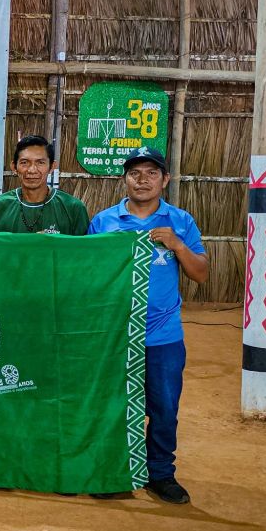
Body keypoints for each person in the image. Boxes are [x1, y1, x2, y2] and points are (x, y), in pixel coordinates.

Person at [88, 147, 208, 504]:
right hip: (116, 335)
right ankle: (113, 471)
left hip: (163, 336)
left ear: (165, 179)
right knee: (113, 405)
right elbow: (88, 275)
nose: (143, 180)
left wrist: (177, 245)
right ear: (124, 179)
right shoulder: (104, 222)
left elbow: (201, 273)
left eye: (151, 173)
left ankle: (161, 474)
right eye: (135, 173)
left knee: (164, 408)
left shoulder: (180, 221)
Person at [0, 135, 88, 235]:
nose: (32, 170)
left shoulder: (73, 208)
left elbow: (83, 246)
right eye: (24, 162)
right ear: (14, 167)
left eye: (40, 162)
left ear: (52, 167)